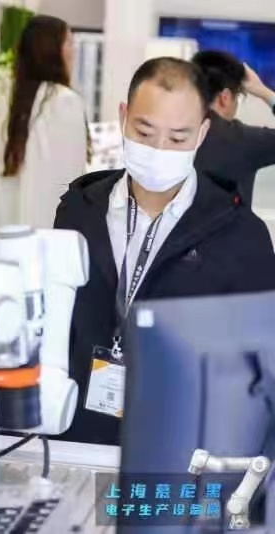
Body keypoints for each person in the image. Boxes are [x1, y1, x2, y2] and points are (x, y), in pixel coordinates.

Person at [54, 57, 275, 446]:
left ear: (202, 133)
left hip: (179, 447)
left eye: (177, 138)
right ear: (123, 117)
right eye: (145, 131)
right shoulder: (79, 209)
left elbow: (258, 371)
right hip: (81, 434)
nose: (159, 149)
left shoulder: (240, 234)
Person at [0, 15, 87, 229]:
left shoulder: (10, 100)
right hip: (49, 224)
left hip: (8, 223)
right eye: (69, 43)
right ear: (52, 51)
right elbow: (74, 172)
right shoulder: (65, 100)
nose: (73, 51)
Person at [192, 51, 275, 205]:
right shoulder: (244, 140)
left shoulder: (170, 131)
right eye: (237, 97)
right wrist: (264, 92)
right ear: (225, 97)